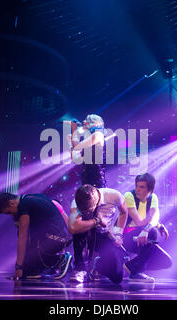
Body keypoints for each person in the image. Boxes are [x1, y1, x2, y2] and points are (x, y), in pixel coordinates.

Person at [66, 114, 108, 281]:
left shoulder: (98, 136)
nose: (85, 124)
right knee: (81, 226)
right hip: (85, 188)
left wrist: (74, 134)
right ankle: (80, 266)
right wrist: (73, 137)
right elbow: (76, 159)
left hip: (97, 188)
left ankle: (96, 265)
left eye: (87, 122)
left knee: (97, 227)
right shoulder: (90, 140)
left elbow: (77, 148)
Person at [0, 192, 73, 280]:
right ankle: (33, 271)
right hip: (59, 237)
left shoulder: (23, 205)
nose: (11, 215)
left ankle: (60, 260)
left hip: (56, 239)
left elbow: (22, 237)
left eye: (9, 212)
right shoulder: (30, 198)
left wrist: (18, 267)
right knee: (32, 239)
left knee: (28, 240)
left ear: (11, 203)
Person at [68, 184, 128, 284]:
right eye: (83, 211)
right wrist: (97, 220)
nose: (86, 213)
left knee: (117, 276)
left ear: (96, 202)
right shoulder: (76, 202)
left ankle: (99, 265)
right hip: (88, 234)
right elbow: (73, 228)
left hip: (105, 236)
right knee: (79, 229)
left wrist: (118, 233)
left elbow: (124, 212)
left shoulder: (113, 195)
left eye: (89, 210)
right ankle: (80, 268)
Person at [122, 173, 172, 282]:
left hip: (143, 236)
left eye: (142, 187)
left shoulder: (153, 197)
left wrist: (154, 224)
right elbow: (139, 222)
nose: (137, 190)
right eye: (137, 186)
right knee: (153, 232)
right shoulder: (129, 196)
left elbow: (154, 217)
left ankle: (132, 266)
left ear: (150, 189)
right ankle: (136, 272)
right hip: (126, 237)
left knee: (166, 261)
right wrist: (154, 225)